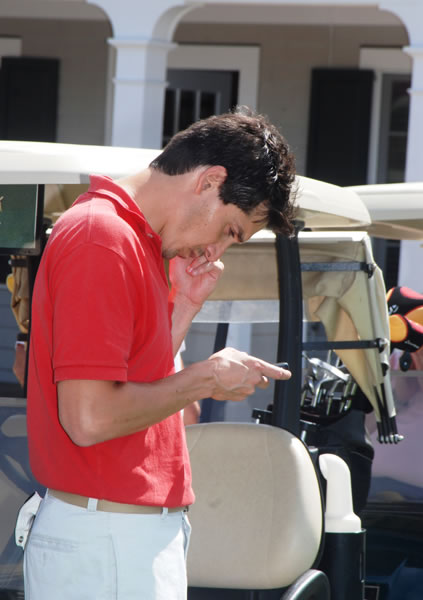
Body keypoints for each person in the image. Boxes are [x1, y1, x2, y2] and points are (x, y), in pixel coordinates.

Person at [22, 107, 296, 599]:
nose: (218, 250)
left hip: (114, 538)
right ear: (209, 181)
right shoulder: (103, 237)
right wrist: (205, 378)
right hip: (107, 539)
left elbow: (132, 386)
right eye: (231, 230)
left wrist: (184, 307)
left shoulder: (130, 238)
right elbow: (89, 418)